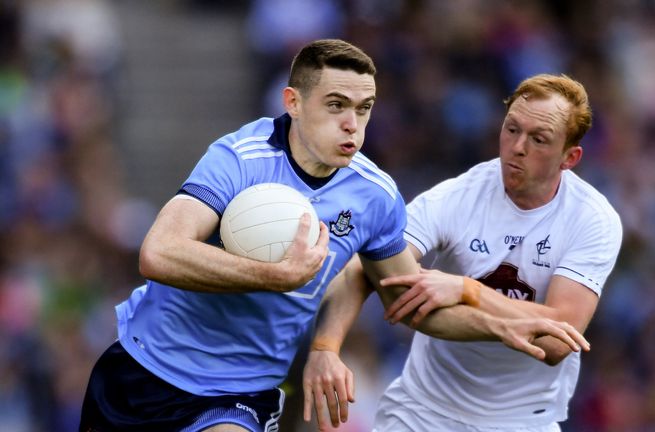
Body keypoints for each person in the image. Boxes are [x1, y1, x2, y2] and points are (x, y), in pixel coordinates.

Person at [79, 40, 590, 432]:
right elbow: (158, 252)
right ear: (293, 102)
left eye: (364, 109)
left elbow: (411, 300)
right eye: (336, 105)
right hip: (146, 366)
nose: (352, 125)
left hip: (241, 392)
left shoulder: (374, 196)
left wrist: (497, 326)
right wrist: (274, 276)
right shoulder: (240, 158)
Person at [303, 73, 623, 432]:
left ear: (570, 157)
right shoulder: (459, 196)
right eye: (512, 129)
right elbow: (367, 267)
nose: (517, 147)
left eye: (539, 139)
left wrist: (468, 291)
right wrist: (326, 348)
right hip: (423, 412)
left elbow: (558, 340)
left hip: (522, 421)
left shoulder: (592, 220)